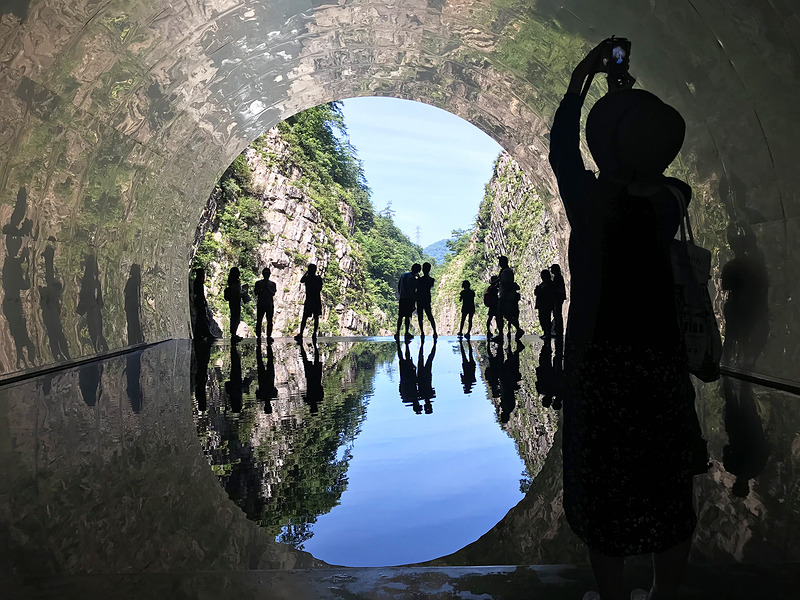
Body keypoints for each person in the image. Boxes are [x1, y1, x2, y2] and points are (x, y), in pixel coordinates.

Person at [549, 40, 703, 600]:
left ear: (605, 150)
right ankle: (666, 595)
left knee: (603, 482)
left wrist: (581, 84)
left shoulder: (591, 206)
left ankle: (612, 597)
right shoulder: (672, 202)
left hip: (601, 367)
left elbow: (563, 154)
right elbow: (648, 168)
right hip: (659, 363)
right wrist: (626, 106)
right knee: (667, 484)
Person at [497, 256, 524, 340]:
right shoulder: (506, 271)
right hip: (507, 296)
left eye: (500, 261)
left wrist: (503, 296)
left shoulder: (506, 272)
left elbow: (506, 284)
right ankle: (516, 329)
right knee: (506, 315)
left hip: (506, 296)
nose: (499, 263)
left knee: (501, 314)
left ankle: (502, 334)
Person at [295, 263, 322, 341]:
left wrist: (307, 272)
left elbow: (301, 280)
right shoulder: (318, 278)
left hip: (309, 299)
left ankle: (301, 333)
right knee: (316, 317)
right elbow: (320, 288)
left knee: (305, 317)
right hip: (316, 299)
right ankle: (314, 333)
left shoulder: (307, 278)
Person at [395, 263, 420, 339]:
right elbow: (414, 289)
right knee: (407, 317)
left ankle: (397, 332)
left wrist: (401, 294)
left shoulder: (403, 275)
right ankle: (406, 333)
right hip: (409, 299)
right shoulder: (412, 278)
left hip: (402, 298)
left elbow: (399, 286)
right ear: (417, 271)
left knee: (400, 316)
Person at [224, 267, 248, 341]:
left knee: (233, 317)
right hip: (236, 301)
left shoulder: (231, 282)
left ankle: (233, 334)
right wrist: (244, 291)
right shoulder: (236, 282)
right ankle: (233, 335)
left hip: (232, 302)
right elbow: (237, 293)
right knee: (236, 318)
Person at [254, 267, 277, 343]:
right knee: (260, 320)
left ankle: (268, 335)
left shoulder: (272, 284)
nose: (266, 275)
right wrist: (263, 289)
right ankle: (259, 336)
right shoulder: (258, 283)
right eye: (265, 273)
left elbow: (273, 293)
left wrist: (266, 288)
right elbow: (256, 292)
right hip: (263, 303)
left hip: (268, 304)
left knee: (269, 320)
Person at [416, 262, 438, 338]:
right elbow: (428, 285)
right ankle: (435, 332)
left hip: (419, 299)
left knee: (420, 317)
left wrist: (418, 278)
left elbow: (418, 287)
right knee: (430, 316)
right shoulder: (431, 280)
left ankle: (422, 332)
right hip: (427, 299)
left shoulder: (419, 280)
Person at [533, 269, 555, 340]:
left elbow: (547, 294)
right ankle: (546, 332)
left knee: (546, 319)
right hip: (541, 304)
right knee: (542, 319)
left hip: (546, 304)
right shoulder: (542, 284)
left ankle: (548, 333)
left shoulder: (549, 284)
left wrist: (540, 291)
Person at [550, 264, 566, 336]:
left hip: (558, 298)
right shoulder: (558, 277)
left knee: (557, 314)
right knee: (557, 314)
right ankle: (558, 330)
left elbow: (556, 288)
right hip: (559, 297)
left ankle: (558, 331)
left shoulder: (557, 278)